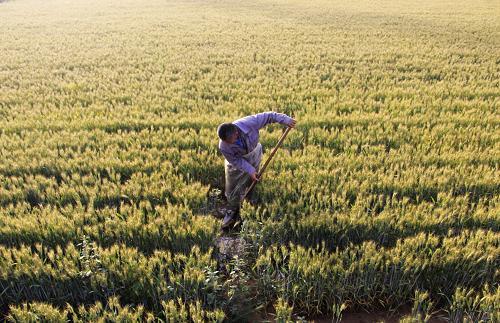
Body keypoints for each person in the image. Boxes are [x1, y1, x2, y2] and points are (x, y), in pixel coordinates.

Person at [217, 111, 296, 229]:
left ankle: (248, 204)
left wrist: (285, 120)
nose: (228, 144)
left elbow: (270, 116)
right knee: (233, 186)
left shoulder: (249, 123)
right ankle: (232, 209)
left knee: (252, 180)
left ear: (236, 133)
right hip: (236, 162)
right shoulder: (223, 146)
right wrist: (250, 169)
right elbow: (236, 161)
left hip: (254, 153)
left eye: (230, 141)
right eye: (226, 142)